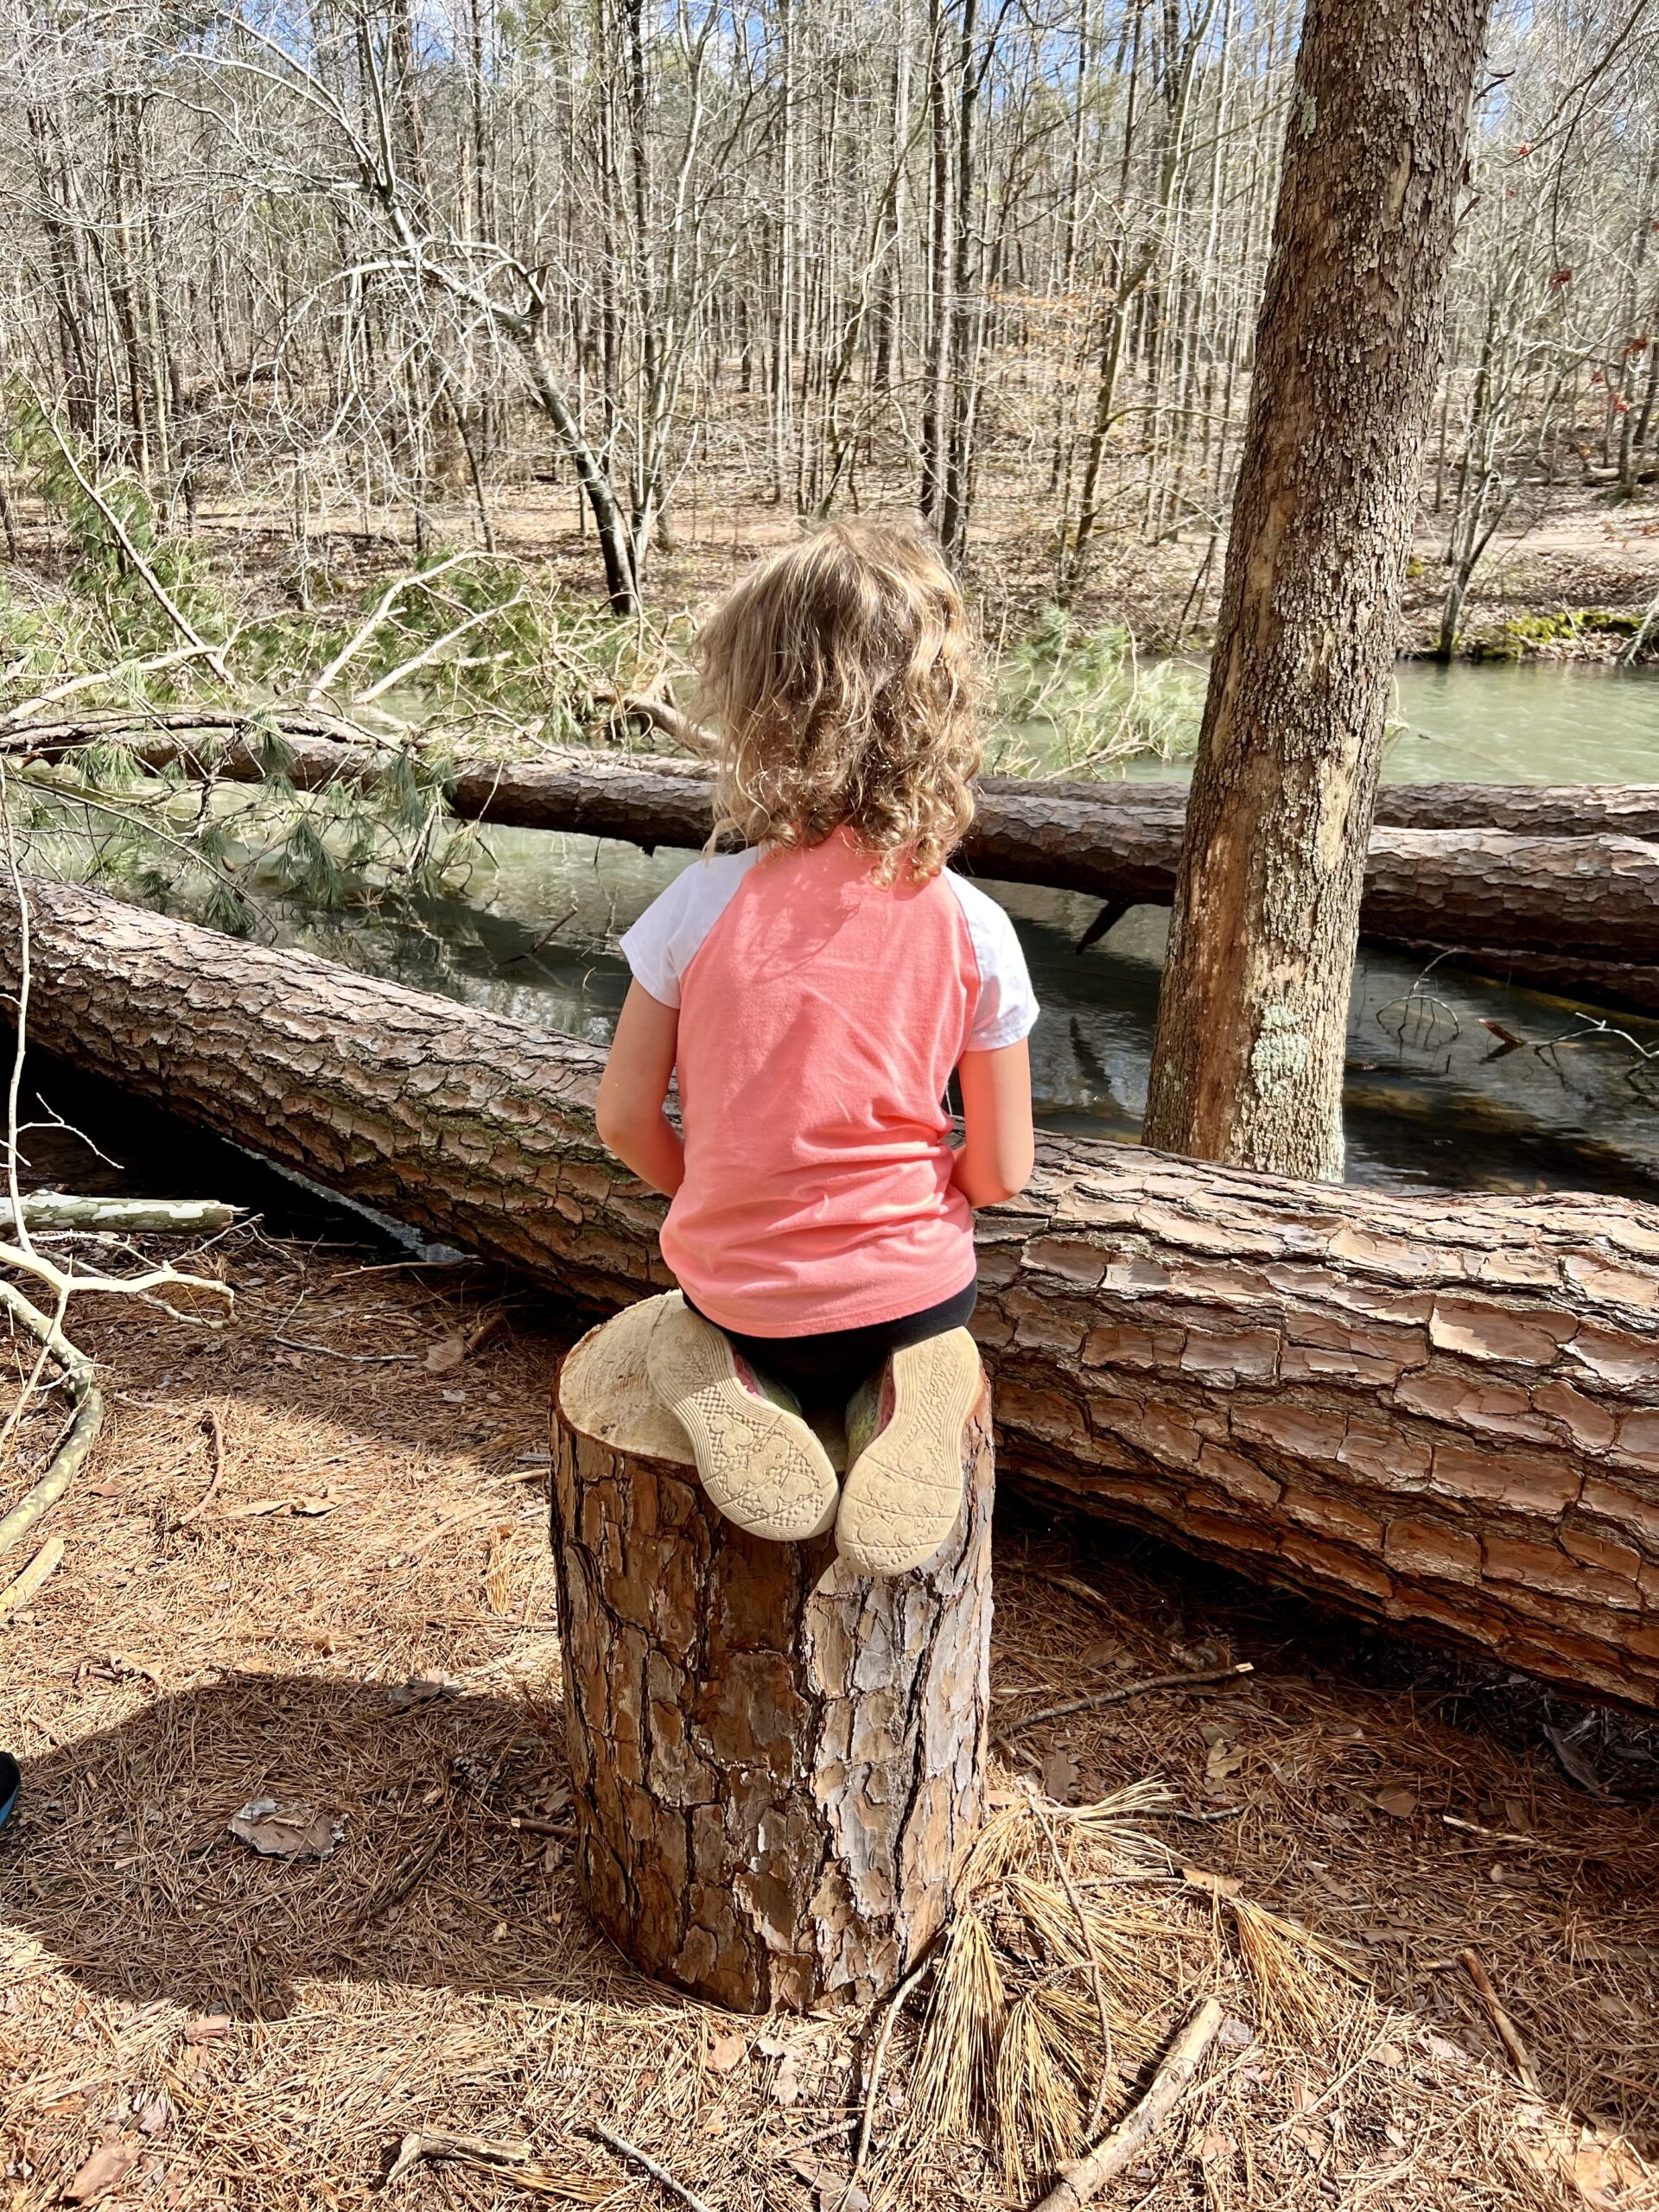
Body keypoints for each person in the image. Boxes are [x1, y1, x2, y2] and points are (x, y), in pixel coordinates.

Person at [594, 518, 1037, 1575]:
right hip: (917, 1288)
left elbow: (621, 1117)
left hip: (744, 1293)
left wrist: (718, 1188)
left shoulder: (697, 906)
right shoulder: (973, 924)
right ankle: (906, 1393)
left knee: (679, 1328)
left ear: (757, 708)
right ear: (938, 711)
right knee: (918, 1329)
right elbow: (1006, 1170)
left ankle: (730, 1382)